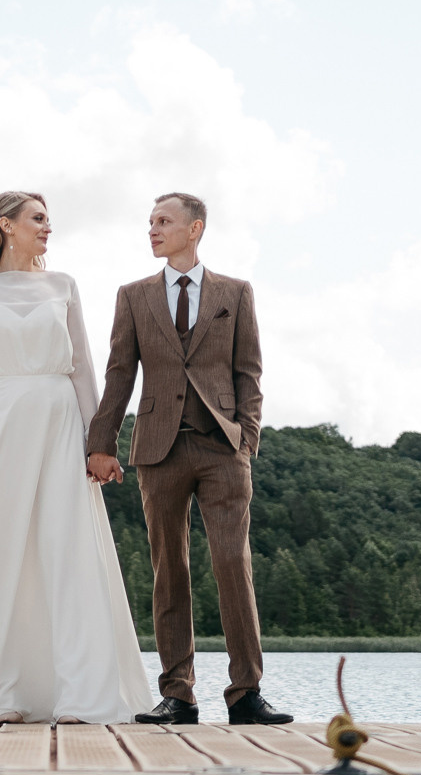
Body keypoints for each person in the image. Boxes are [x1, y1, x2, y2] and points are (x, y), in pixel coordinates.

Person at [0, 191, 154, 724]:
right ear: (6, 225)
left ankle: (80, 694)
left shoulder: (63, 285)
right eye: (39, 219)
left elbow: (84, 371)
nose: (49, 228)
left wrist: (101, 443)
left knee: (64, 550)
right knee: (2, 556)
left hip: (58, 424)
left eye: (49, 220)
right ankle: (7, 692)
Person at [86, 193, 292, 725]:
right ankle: (178, 694)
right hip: (157, 449)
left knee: (232, 565)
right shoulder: (133, 297)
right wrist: (101, 443)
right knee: (168, 571)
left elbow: (250, 373)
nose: (152, 230)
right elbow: (119, 375)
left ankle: (246, 693)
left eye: (163, 221)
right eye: (150, 222)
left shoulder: (235, 293)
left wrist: (247, 439)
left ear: (194, 228)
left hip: (223, 449)